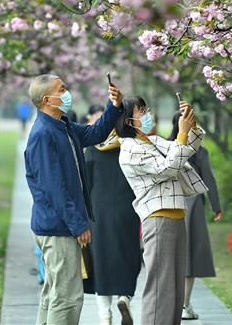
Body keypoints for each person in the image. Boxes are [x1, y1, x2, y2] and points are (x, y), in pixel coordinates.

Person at [24, 74, 123, 325]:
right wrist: (78, 224)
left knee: (53, 294)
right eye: (62, 89)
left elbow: (96, 133)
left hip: (59, 225)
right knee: (67, 297)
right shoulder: (43, 135)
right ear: (48, 99)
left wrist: (113, 106)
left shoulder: (63, 127)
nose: (68, 93)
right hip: (58, 227)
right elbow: (54, 188)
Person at [117, 96, 208, 325]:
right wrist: (182, 133)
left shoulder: (153, 141)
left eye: (146, 108)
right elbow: (168, 168)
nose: (147, 114)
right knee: (160, 287)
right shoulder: (130, 149)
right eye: (141, 111)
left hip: (176, 217)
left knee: (175, 287)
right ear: (128, 121)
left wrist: (190, 124)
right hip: (158, 220)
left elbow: (185, 149)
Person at [84, 103, 141, 325]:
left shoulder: (92, 149)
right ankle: (125, 297)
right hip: (127, 209)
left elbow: (85, 185)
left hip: (97, 212)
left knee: (101, 261)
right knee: (128, 255)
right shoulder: (130, 147)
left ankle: (104, 315)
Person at [167, 112, 223, 321]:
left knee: (170, 256)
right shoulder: (200, 151)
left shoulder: (165, 147)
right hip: (192, 206)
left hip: (168, 202)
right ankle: (184, 304)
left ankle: (171, 303)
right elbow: (209, 180)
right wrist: (216, 206)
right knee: (189, 256)